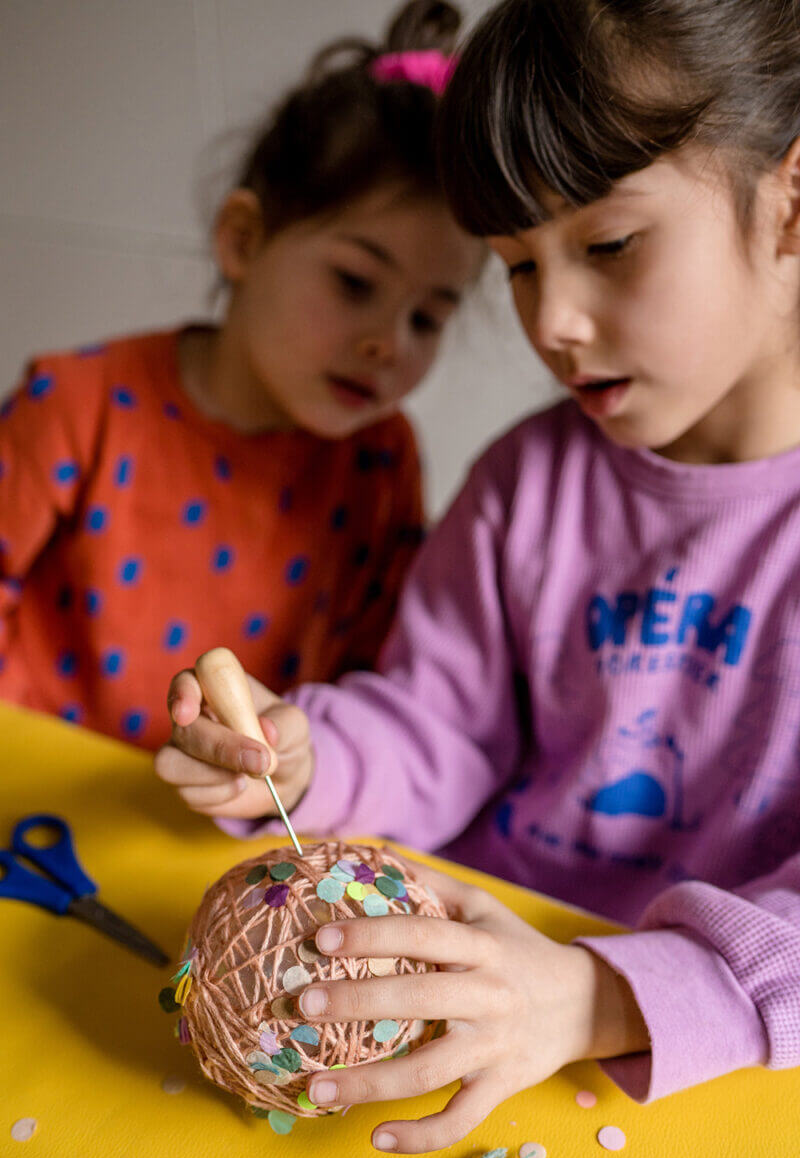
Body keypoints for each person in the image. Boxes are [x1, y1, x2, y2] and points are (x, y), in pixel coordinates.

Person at [156, 0, 800, 1158]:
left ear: (789, 208)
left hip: (712, 1074)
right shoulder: (526, 482)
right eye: (512, 266)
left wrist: (597, 997)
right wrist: (312, 759)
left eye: (607, 245)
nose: (550, 322)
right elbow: (439, 727)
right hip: (453, 1033)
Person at [0, 0, 480, 751]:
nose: (389, 343)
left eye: (428, 318)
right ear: (243, 240)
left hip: (229, 834)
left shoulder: (382, 459)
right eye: (356, 283)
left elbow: (367, 690)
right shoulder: (77, 405)